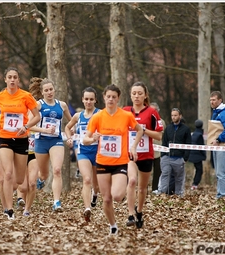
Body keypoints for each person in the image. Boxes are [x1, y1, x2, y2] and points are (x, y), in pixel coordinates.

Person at [83, 84, 143, 235]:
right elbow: (85, 139)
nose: (110, 99)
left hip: (120, 162)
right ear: (103, 98)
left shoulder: (126, 116)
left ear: (118, 99)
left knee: (116, 196)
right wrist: (92, 139)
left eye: (113, 97)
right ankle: (113, 225)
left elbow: (140, 130)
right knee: (107, 199)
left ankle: (121, 199)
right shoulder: (97, 117)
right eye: (108, 96)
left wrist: (134, 146)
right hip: (102, 162)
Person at [0, 67, 40, 220]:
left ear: (18, 80)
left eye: (15, 77)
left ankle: (8, 196)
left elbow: (36, 116)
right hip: (5, 138)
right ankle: (9, 210)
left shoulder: (26, 96)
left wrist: (26, 126)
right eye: (9, 77)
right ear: (5, 79)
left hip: (22, 139)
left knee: (18, 181)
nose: (12, 80)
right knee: (7, 173)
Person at [123, 82, 163, 228]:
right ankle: (130, 214)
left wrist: (142, 130)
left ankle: (139, 211)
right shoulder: (125, 111)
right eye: (134, 93)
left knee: (142, 188)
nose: (136, 96)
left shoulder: (152, 112)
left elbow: (159, 136)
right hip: (130, 154)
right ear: (130, 95)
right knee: (132, 181)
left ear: (145, 95)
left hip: (146, 155)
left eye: (140, 93)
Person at [28, 77, 72, 212]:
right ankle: (41, 180)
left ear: (54, 90)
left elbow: (71, 121)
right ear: (42, 92)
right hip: (41, 141)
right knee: (44, 175)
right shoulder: (38, 105)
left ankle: (56, 202)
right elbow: (29, 125)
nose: (49, 92)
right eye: (46, 90)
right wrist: (44, 130)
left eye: (51, 89)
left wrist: (71, 131)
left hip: (56, 140)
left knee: (57, 170)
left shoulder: (62, 105)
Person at [65, 87, 101, 222]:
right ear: (82, 100)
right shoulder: (78, 116)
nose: (88, 102)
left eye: (91, 99)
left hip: (98, 152)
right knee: (86, 179)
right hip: (83, 151)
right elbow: (67, 127)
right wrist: (69, 138)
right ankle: (87, 208)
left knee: (96, 185)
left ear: (95, 100)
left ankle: (95, 194)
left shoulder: (100, 114)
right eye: (86, 99)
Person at [159, 108, 191, 196]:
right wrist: (163, 155)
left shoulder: (186, 129)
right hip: (167, 157)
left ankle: (179, 194)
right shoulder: (168, 128)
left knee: (179, 178)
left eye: (175, 115)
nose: (173, 117)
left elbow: (188, 144)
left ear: (180, 116)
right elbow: (164, 142)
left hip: (179, 158)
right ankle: (162, 192)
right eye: (172, 115)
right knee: (165, 174)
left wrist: (185, 158)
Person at [209, 91, 225, 199]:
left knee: (221, 172)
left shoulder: (224, 113)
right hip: (218, 145)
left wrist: (219, 139)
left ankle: (223, 195)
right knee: (218, 172)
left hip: (223, 146)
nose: (212, 102)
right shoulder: (216, 112)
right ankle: (220, 193)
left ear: (220, 100)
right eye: (210, 100)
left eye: (214, 100)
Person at [149, 102, 166, 192]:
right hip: (147, 151)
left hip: (158, 152)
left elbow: (163, 136)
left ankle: (155, 189)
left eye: (155, 110)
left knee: (157, 172)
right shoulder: (145, 120)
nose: (153, 112)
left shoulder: (161, 122)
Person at [188, 119, 206, 190]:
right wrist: (203, 155)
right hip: (197, 155)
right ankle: (195, 184)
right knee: (199, 170)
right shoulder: (200, 135)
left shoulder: (193, 134)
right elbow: (201, 146)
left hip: (192, 154)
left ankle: (194, 184)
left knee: (197, 169)